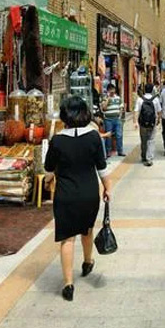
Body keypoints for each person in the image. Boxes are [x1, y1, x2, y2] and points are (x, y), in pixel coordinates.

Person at [44, 96, 111, 302]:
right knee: (87, 229)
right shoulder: (93, 137)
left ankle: (68, 284)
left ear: (65, 116)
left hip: (65, 195)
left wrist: (48, 181)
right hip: (89, 193)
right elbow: (102, 167)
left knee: (67, 238)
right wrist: (108, 189)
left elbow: (48, 169)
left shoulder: (57, 140)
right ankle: (88, 261)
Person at [134, 83, 162, 166]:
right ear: (152, 90)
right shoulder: (155, 99)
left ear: (144, 90)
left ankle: (143, 156)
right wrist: (158, 120)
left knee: (143, 140)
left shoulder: (140, 99)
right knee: (151, 140)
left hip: (142, 124)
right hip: (152, 123)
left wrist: (135, 122)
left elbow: (136, 111)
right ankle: (149, 158)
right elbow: (159, 111)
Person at [101, 84, 125, 157]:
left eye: (113, 89)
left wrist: (120, 115)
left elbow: (121, 107)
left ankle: (120, 151)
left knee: (119, 135)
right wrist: (108, 99)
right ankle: (108, 151)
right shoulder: (104, 98)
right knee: (108, 135)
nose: (112, 91)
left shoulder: (118, 98)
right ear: (108, 91)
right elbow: (104, 108)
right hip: (108, 119)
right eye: (110, 90)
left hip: (117, 119)